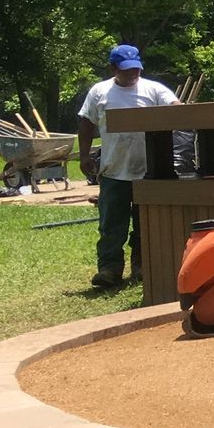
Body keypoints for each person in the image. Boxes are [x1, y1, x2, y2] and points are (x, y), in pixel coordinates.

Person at [76, 44, 178, 287]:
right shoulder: (99, 92)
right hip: (114, 169)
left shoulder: (153, 89)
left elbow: (176, 109)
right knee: (112, 225)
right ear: (113, 68)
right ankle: (109, 269)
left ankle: (142, 266)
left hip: (148, 171)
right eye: (127, 70)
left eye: (136, 70)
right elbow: (86, 123)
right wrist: (83, 156)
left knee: (145, 223)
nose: (133, 74)